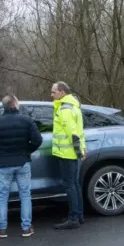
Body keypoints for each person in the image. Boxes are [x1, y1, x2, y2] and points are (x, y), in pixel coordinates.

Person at [0, 94, 42, 238]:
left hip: (4, 164)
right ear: (15, 105)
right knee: (25, 195)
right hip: (23, 162)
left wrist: (0, 153)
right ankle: (26, 228)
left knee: (2, 196)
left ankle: (1, 229)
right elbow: (38, 140)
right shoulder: (27, 121)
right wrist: (26, 151)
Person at [51, 81, 86, 230]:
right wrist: (81, 151)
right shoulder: (73, 105)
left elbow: (73, 133)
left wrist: (79, 152)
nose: (51, 95)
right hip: (72, 153)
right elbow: (78, 131)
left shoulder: (65, 109)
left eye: (53, 92)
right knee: (75, 184)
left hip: (67, 154)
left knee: (70, 185)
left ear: (62, 92)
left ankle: (73, 218)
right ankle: (79, 215)